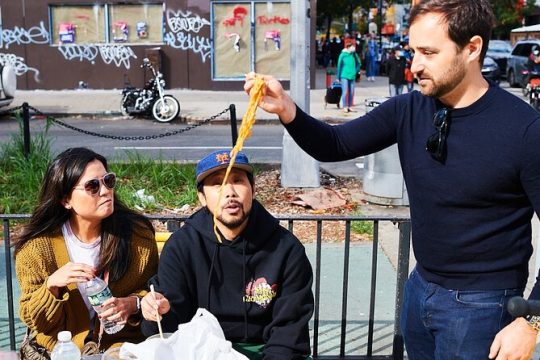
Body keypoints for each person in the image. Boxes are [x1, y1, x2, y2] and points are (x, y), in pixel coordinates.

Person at [244, 0, 540, 359]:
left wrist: (532, 320)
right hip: (419, 288)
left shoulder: (524, 130)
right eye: (412, 51)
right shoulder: (408, 110)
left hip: (482, 306)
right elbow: (334, 144)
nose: (414, 65)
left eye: (429, 52)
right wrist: (288, 110)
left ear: (472, 48)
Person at [141, 150, 314, 360]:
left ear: (253, 189)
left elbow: (289, 334)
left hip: (265, 349)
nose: (229, 191)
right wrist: (158, 312)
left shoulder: (287, 249)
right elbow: (167, 331)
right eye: (217, 183)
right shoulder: (181, 246)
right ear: (202, 197)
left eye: (238, 180)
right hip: (200, 351)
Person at [13, 147, 159, 353]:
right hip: (61, 351)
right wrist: (52, 286)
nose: (106, 190)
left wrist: (133, 303)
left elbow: (155, 290)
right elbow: (36, 321)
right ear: (65, 200)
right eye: (92, 186)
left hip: (121, 349)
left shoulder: (138, 237)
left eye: (108, 180)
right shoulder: (36, 248)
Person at [336, 42, 361, 112]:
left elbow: (359, 63)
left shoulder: (354, 54)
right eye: (352, 47)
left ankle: (350, 106)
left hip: (352, 76)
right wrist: (338, 77)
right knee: (345, 91)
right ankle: (345, 106)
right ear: (348, 47)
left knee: (351, 92)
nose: (353, 48)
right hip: (344, 75)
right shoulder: (343, 55)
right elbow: (339, 66)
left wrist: (356, 71)